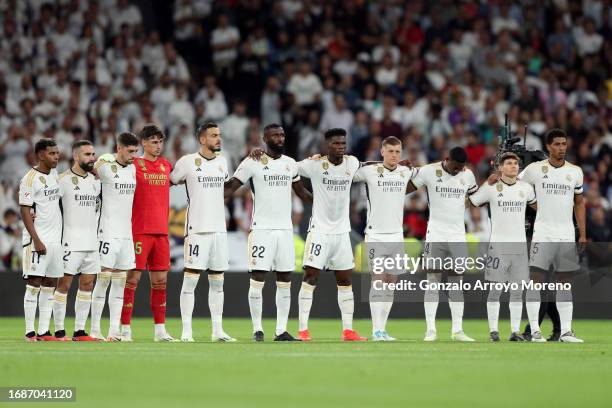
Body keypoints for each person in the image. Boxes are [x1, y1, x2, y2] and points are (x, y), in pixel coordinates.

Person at [491, 129, 586, 343]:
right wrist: (496, 178)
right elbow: (511, 181)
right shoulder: (534, 169)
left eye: (564, 143)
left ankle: (566, 332)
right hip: (542, 232)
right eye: (557, 144)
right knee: (536, 281)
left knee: (564, 282)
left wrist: (583, 234)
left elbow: (580, 202)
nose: (562, 148)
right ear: (548, 147)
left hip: (566, 233)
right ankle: (535, 331)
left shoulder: (576, 172)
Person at [225, 123, 312, 341]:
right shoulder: (252, 162)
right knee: (258, 278)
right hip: (261, 229)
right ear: (265, 138)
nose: (280, 138)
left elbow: (301, 192)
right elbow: (229, 188)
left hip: (285, 230)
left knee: (285, 278)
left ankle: (281, 330)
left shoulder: (290, 164)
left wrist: (325, 199)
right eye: (275, 135)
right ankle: (257, 329)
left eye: (282, 134)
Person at [295, 128, 367, 342]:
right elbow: (289, 168)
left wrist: (395, 166)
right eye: (336, 144)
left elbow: (368, 167)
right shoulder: (315, 165)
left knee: (345, 280)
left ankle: (348, 331)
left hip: (342, 233)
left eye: (343, 144)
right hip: (319, 232)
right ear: (327, 146)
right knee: (310, 277)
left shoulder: (351, 163)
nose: (341, 147)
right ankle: (303, 330)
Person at [170, 122, 235, 342]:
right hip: (197, 229)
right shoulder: (187, 162)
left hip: (219, 230)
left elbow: (225, 190)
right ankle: (186, 331)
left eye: (219, 135)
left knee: (218, 281)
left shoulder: (222, 162)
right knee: (191, 280)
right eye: (213, 135)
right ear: (202, 139)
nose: (218, 139)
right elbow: (168, 182)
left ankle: (217, 330)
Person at [407, 147, 478, 342]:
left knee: (457, 282)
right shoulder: (429, 171)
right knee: (433, 280)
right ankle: (430, 330)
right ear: (446, 159)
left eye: (460, 168)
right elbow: (407, 189)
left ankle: (457, 330)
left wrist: (458, 206)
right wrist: (406, 171)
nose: (457, 171)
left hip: (457, 235)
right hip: (435, 234)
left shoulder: (468, 175)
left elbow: (474, 198)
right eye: (455, 167)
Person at [469, 152, 538, 342]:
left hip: (519, 246)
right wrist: (485, 184)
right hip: (498, 245)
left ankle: (515, 332)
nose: (514, 166)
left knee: (517, 290)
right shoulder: (492, 188)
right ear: (500, 167)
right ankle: (493, 331)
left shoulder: (526, 188)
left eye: (516, 163)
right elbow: (472, 201)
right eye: (509, 163)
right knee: (496, 289)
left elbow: (538, 210)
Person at [352, 136, 415, 341]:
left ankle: (383, 329)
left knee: (391, 282)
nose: (395, 155)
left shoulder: (405, 172)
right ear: (382, 152)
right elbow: (347, 168)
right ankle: (376, 330)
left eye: (398, 152)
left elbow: (423, 174)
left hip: (396, 236)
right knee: (377, 281)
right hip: (375, 235)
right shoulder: (369, 171)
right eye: (390, 151)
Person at [120, 125, 176, 342]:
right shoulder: (134, 165)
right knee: (132, 278)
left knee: (161, 280)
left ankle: (160, 330)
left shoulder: (166, 166)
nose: (158, 145)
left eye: (160, 141)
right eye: (153, 141)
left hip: (161, 231)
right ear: (142, 142)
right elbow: (110, 163)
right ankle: (125, 328)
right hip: (139, 230)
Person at [90, 132, 138, 341]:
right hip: (107, 232)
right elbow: (94, 164)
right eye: (130, 151)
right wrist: (106, 157)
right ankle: (94, 329)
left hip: (126, 235)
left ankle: (113, 330)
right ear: (119, 149)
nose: (134, 155)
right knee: (103, 281)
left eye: (136, 151)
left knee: (120, 283)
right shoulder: (106, 167)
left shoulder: (133, 169)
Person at [52, 140, 101, 341]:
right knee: (63, 285)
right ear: (76, 156)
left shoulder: (95, 181)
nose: (92, 158)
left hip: (92, 242)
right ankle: (59, 330)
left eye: (93, 154)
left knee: (87, 285)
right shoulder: (62, 180)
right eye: (87, 154)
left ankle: (80, 331)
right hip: (70, 242)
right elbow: (48, 204)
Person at [19, 138, 62, 341]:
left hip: (55, 240)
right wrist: (36, 239)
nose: (56, 156)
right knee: (34, 283)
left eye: (57, 153)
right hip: (38, 239)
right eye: (52, 153)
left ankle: (44, 331)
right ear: (40, 155)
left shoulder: (54, 174)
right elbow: (25, 210)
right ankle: (30, 332)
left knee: (50, 283)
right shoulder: (29, 178)